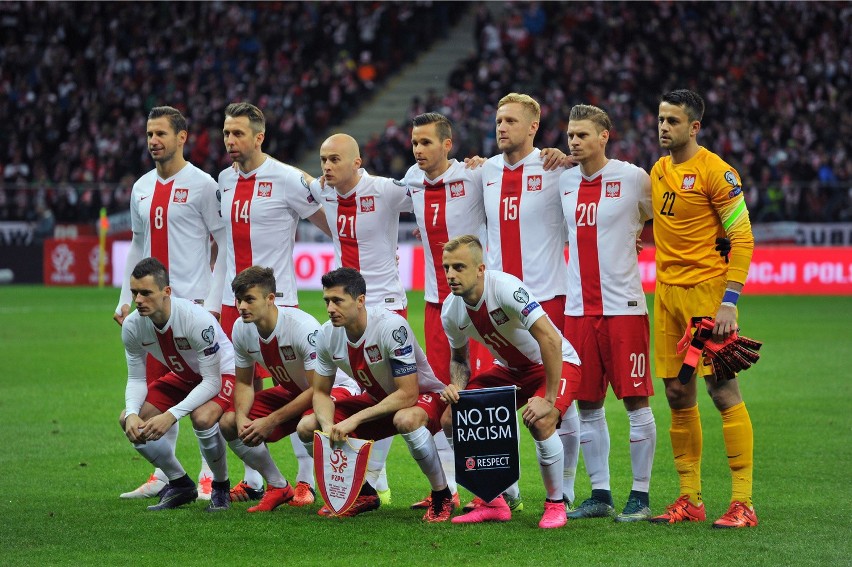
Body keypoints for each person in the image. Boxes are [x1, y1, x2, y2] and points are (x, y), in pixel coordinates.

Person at [649, 89, 757, 528]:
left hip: (706, 297)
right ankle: (690, 498)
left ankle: (743, 503)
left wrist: (728, 302)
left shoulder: (717, 172)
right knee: (677, 393)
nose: (663, 127)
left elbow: (743, 237)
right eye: (660, 119)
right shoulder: (657, 170)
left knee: (722, 391)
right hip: (667, 295)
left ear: (694, 126)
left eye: (672, 121)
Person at [217, 102, 333, 504]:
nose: (230, 141)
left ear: (259, 136)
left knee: (298, 386)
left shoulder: (287, 178)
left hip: (278, 303)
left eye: (238, 134)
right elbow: (223, 243)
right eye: (226, 133)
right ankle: (256, 479)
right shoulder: (223, 181)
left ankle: (305, 480)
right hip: (235, 304)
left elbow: (333, 224)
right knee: (241, 394)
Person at [114, 106, 226, 501]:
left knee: (203, 393)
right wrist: (126, 298)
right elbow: (136, 244)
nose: (153, 141)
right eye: (148, 134)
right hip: (152, 311)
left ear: (182, 137)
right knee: (156, 392)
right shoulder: (141, 187)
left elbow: (222, 242)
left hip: (191, 305)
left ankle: (209, 476)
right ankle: (165, 475)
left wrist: (213, 301)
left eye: (160, 133)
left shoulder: (202, 184)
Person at [479, 93, 581, 510]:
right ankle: (506, 489)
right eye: (498, 120)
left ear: (533, 127)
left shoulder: (556, 168)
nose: (501, 127)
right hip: (499, 307)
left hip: (548, 299)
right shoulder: (482, 170)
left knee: (559, 399)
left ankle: (569, 490)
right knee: (501, 395)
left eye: (510, 121)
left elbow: (598, 176)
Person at [439, 235, 581, 529]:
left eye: (459, 267)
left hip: (556, 363)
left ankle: (556, 505)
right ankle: (493, 501)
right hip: (512, 371)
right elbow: (460, 360)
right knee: (452, 419)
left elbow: (550, 339)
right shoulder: (451, 311)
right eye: (446, 268)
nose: (451, 275)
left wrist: (549, 399)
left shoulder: (505, 288)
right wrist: (457, 387)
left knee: (541, 422)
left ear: (480, 269)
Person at [559, 104, 657, 522]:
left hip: (624, 309)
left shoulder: (633, 178)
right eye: (570, 135)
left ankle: (641, 493)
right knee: (587, 405)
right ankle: (600, 493)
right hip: (578, 310)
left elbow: (660, 223)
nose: (575, 142)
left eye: (583, 135)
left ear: (604, 136)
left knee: (636, 400)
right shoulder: (562, 181)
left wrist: (638, 238)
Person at [295, 267, 454, 522]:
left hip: (424, 398)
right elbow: (321, 393)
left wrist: (354, 420)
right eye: (327, 301)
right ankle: (361, 494)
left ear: (360, 301)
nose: (330, 308)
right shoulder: (326, 335)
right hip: (379, 401)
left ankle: (442, 495)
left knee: (407, 419)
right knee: (308, 426)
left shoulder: (391, 327)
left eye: (337, 301)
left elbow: (408, 394)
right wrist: (328, 428)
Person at [308, 132, 411, 503]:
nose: (327, 166)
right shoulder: (323, 191)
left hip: (384, 305)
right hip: (347, 309)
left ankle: (376, 477)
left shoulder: (384, 189)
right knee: (360, 391)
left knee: (388, 392)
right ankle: (369, 481)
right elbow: (298, 183)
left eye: (335, 159)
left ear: (357, 162)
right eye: (323, 160)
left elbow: (434, 194)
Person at [221, 266, 362, 512]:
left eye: (249, 299)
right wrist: (243, 416)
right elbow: (244, 382)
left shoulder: (301, 328)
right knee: (229, 422)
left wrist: (271, 420)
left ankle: (346, 493)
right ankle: (278, 486)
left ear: (270, 299)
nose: (242, 306)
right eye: (239, 300)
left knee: (308, 426)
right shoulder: (241, 328)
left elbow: (318, 389)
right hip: (295, 392)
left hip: (334, 389)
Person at [403, 112, 488, 511]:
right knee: (440, 395)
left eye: (426, 143)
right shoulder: (411, 181)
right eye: (415, 143)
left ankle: (500, 489)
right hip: (437, 306)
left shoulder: (474, 176)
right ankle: (449, 488)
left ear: (447, 144)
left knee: (483, 397)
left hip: (479, 307)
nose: (419, 150)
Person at [118, 257, 234, 511]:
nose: (138, 300)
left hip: (223, 374)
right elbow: (137, 378)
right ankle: (180, 482)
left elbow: (212, 381)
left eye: (146, 293)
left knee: (202, 418)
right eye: (135, 292)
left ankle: (220, 486)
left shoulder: (196, 319)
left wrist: (170, 416)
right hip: (185, 376)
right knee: (129, 419)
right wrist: (133, 413)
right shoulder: (132, 326)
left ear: (166, 292)